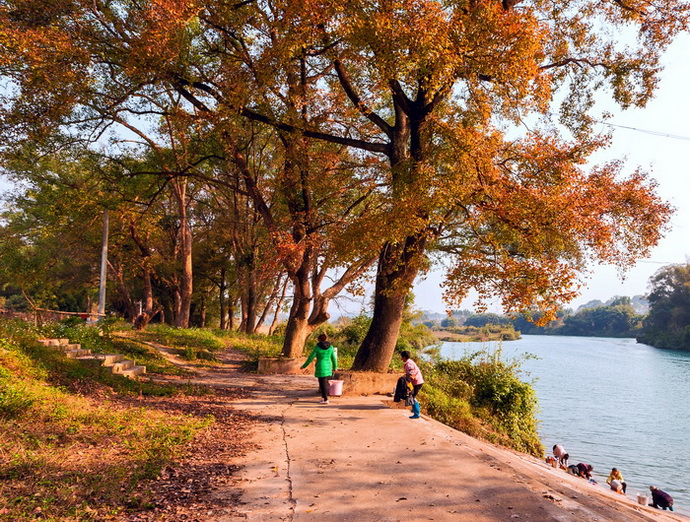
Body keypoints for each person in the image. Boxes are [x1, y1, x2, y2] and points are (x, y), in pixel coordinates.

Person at [301, 334, 338, 404]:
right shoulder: (331, 347)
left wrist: (304, 366)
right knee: (325, 382)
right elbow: (334, 358)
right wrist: (335, 367)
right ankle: (324, 397)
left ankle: (325, 399)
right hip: (328, 367)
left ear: (319, 339)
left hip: (320, 366)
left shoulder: (317, 347)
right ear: (326, 339)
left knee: (322, 383)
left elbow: (311, 357)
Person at [401, 350, 424, 419]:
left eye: (402, 357)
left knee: (412, 397)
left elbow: (412, 375)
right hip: (417, 382)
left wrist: (407, 383)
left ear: (404, 357)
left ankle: (417, 414)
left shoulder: (409, 364)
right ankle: (414, 409)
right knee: (412, 396)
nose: (401, 359)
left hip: (417, 382)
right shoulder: (410, 362)